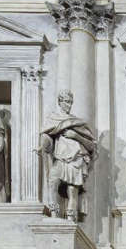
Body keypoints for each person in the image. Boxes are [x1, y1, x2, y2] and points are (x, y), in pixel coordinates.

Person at [39, 90, 96, 222]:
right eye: (66, 101)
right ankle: (53, 214)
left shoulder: (78, 122)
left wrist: (75, 136)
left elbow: (91, 146)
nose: (68, 105)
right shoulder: (53, 119)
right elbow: (46, 137)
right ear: (59, 102)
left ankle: (71, 219)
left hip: (76, 160)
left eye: (70, 102)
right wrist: (43, 144)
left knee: (72, 191)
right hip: (60, 158)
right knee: (52, 182)